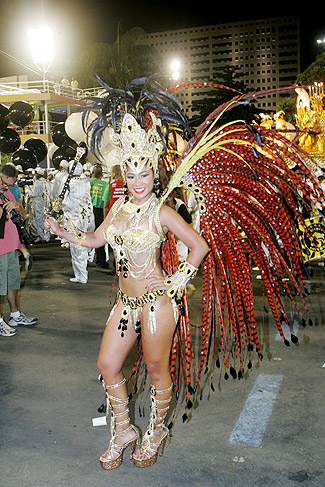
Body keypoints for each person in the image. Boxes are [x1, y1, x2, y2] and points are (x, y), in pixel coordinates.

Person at [45, 112, 209, 468]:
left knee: (155, 367)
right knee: (107, 364)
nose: (137, 182)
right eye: (131, 175)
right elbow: (92, 239)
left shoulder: (161, 213)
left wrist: (175, 281)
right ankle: (123, 430)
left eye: (144, 174)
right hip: (125, 303)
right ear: (124, 175)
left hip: (155, 304)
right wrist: (62, 232)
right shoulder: (118, 208)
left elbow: (199, 247)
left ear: (154, 173)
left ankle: (156, 430)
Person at [0, 164, 37, 337]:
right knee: (0, 287)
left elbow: (23, 215)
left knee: (13, 283)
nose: (7, 187)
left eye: (10, 184)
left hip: (12, 247)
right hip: (0, 250)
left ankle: (15, 315)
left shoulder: (7, 194)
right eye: (5, 183)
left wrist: (16, 206)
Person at [60, 161, 95, 283]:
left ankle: (81, 275)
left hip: (74, 218)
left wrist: (64, 209)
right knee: (83, 243)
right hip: (86, 217)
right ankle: (82, 271)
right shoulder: (86, 182)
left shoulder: (69, 183)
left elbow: (63, 201)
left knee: (76, 247)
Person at [89, 165, 108, 268]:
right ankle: (100, 260)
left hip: (87, 211)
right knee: (98, 235)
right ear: (102, 174)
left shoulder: (86, 182)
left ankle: (85, 259)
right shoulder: (105, 184)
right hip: (99, 212)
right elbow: (106, 202)